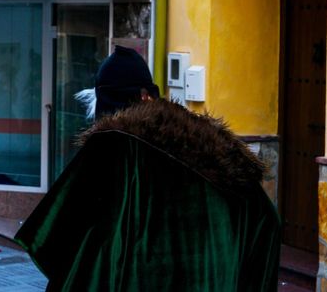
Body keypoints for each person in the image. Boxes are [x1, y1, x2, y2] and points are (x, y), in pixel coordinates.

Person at [15, 46, 281, 291]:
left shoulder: (112, 148)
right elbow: (265, 222)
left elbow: (61, 239)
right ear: (147, 96)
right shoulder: (219, 155)